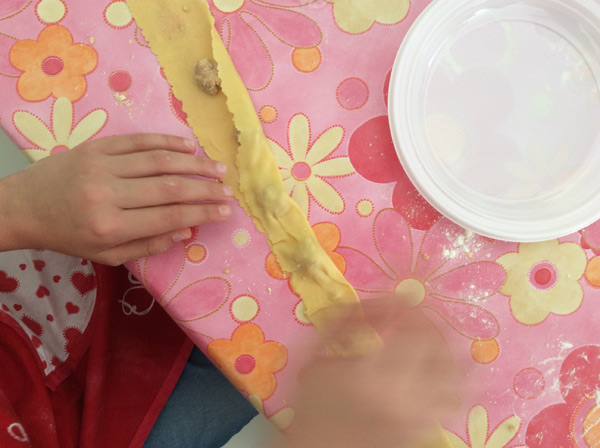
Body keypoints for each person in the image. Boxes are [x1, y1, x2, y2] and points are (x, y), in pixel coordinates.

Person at [0, 134, 458, 448]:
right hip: (98, 430)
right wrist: (327, 431)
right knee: (278, 337)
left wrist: (20, 209)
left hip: (26, 276)